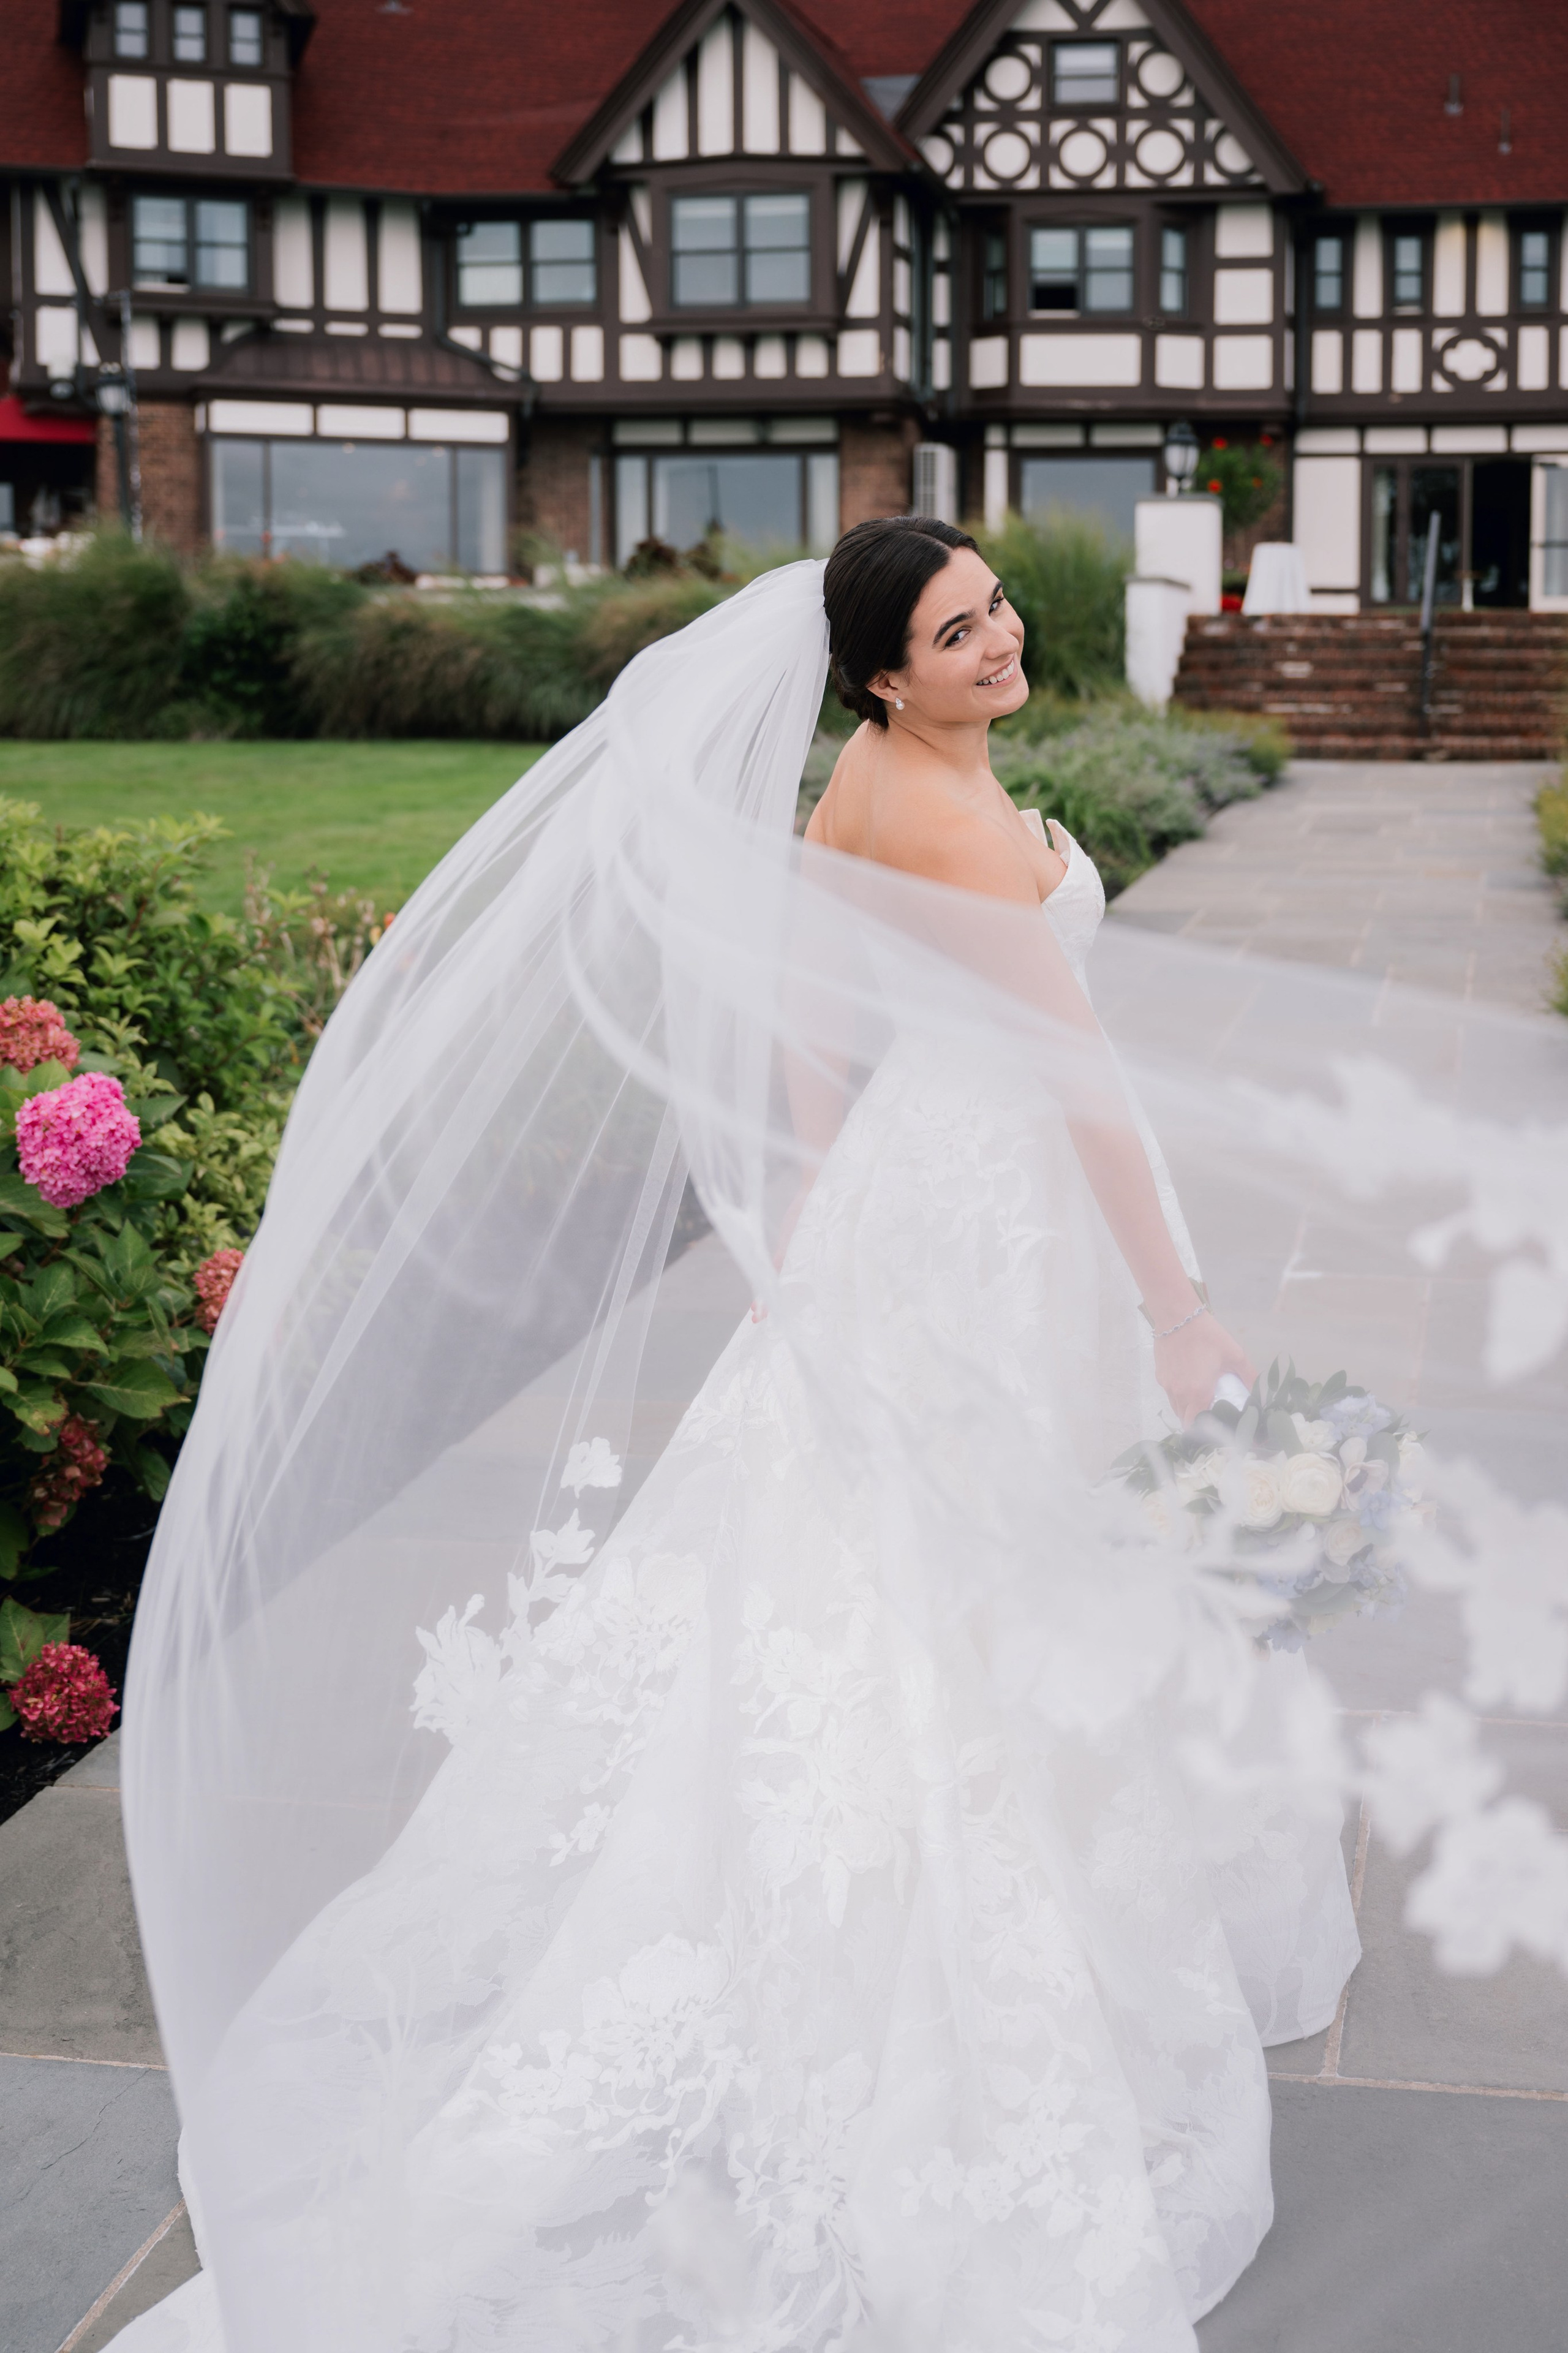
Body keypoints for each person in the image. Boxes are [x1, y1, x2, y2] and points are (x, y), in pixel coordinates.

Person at [113, 524, 1359, 2353]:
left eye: (996, 602)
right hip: (989, 1214)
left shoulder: (870, 777)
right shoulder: (934, 813)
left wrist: (813, 1208)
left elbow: (808, 1018)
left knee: (875, 1558)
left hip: (917, 1204)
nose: (1003, 636)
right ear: (879, 674)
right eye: (958, 631)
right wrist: (1178, 1309)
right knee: (943, 1591)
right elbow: (1080, 1076)